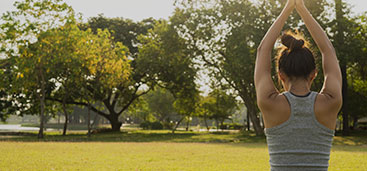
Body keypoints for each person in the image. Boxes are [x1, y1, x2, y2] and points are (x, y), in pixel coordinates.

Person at [254, 0, 342, 170]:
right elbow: (328, 51)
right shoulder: (331, 102)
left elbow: (263, 50)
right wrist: (301, 7)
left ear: (280, 75)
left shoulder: (269, 103)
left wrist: (288, 7)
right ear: (313, 74)